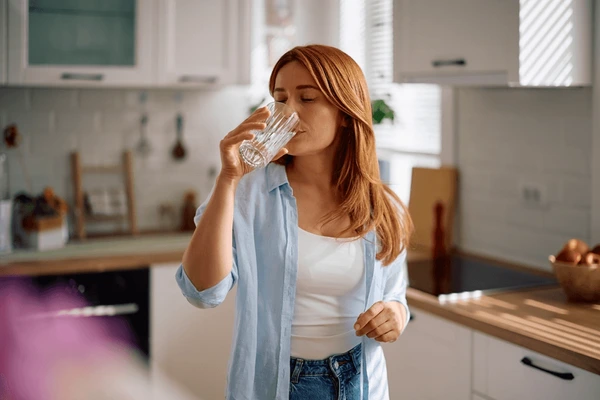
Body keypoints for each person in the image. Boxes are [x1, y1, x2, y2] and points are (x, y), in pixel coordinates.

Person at [176, 44, 413, 400]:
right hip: (275, 387)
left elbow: (395, 294)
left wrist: (395, 314)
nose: (288, 111)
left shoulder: (382, 206)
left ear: (345, 112)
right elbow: (203, 293)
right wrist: (228, 179)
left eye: (307, 98)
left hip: (361, 384)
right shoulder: (248, 192)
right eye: (281, 98)